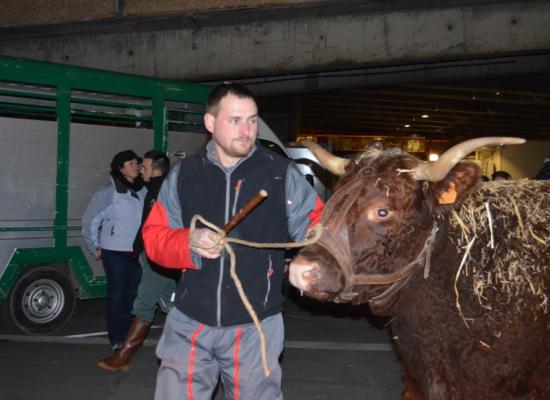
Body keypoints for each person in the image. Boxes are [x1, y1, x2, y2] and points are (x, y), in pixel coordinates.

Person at [142, 82, 324, 400]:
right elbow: (153, 237)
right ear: (210, 123)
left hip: (256, 325)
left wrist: (310, 260)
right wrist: (188, 242)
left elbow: (319, 229)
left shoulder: (280, 173)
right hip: (190, 321)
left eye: (252, 120)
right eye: (235, 120)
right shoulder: (184, 174)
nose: (247, 130)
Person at [98, 149, 178, 371]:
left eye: (145, 166)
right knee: (172, 303)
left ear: (155, 169)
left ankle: (124, 355)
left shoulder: (165, 190)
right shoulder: (151, 189)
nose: (141, 169)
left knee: (143, 304)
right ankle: (191, 346)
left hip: (157, 258)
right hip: (148, 255)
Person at [82, 150, 146, 351]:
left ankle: (128, 335)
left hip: (136, 252)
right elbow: (90, 219)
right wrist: (94, 246)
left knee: (132, 294)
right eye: (131, 163)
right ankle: (117, 337)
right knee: (117, 294)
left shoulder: (143, 190)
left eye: (137, 162)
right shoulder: (108, 192)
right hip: (114, 252)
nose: (136, 166)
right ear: (120, 168)